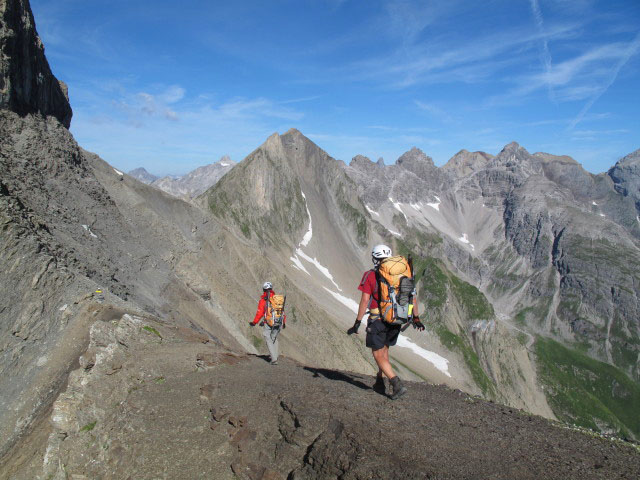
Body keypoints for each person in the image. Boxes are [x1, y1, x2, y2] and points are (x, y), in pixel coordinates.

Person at [347, 244, 425, 399]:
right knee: (384, 351)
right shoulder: (403, 274)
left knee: (377, 354)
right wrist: (416, 317)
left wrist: (357, 321)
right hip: (397, 319)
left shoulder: (370, 275)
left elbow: (365, 300)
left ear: (375, 259)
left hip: (377, 320)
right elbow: (412, 296)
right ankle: (379, 381)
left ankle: (396, 384)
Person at [249, 281, 286, 365]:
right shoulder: (277, 299)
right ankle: (275, 356)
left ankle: (273, 359)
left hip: (269, 322)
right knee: (274, 338)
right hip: (279, 321)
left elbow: (260, 312)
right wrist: (283, 322)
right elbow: (282, 311)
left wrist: (254, 322)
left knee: (268, 337)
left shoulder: (263, 300)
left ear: (264, 289)